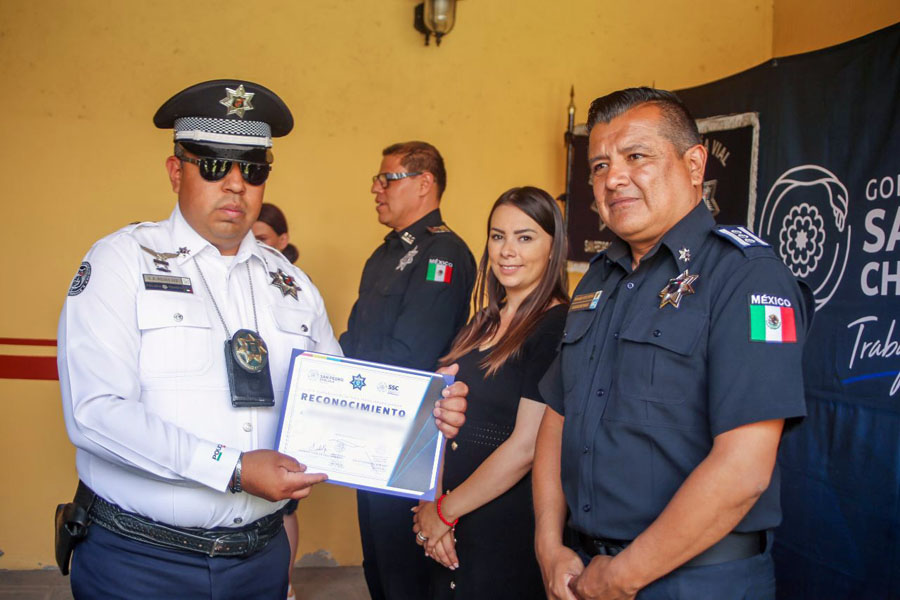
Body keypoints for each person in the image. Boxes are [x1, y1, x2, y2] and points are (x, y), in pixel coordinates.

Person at [57, 79, 469, 599]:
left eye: (252, 169)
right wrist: (230, 469)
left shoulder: (291, 284)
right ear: (175, 171)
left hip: (259, 562)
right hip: (143, 562)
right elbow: (95, 413)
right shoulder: (121, 263)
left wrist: (425, 418)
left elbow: (345, 401)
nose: (235, 185)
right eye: (212, 164)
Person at [532, 87, 811, 600]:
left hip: (696, 580)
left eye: (636, 156)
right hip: (585, 572)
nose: (613, 178)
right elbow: (558, 416)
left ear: (695, 163)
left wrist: (625, 574)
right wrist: (549, 545)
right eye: (598, 166)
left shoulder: (746, 277)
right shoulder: (599, 277)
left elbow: (744, 467)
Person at [412, 186, 569, 599]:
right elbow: (442, 422)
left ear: (554, 248)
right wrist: (435, 503)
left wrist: (444, 512)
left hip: (505, 524)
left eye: (525, 237)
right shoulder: (482, 321)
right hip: (453, 514)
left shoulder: (556, 327)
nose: (506, 251)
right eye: (497, 236)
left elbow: (527, 447)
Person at [340, 141, 476, 600]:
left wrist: (349, 385)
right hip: (366, 430)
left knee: (404, 572)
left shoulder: (444, 253)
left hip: (408, 436)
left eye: (388, 178)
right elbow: (354, 338)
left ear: (424, 184)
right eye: (376, 180)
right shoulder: (384, 255)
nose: (377, 189)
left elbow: (413, 353)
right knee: (376, 562)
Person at [253, 201, 302, 598]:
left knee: (283, 508)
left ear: (283, 242)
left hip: (285, 416)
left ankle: (283, 585)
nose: (254, 245)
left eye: (263, 238)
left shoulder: (299, 289)